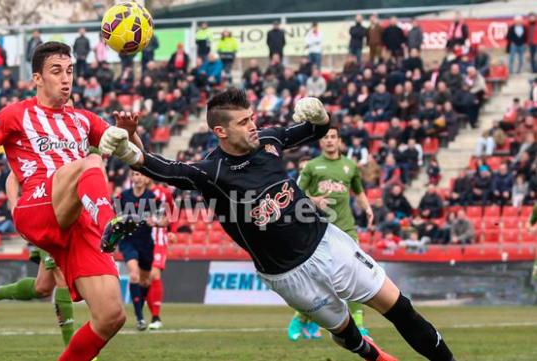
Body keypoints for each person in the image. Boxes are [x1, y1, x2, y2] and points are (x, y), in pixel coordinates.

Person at [102, 88, 456, 361]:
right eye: (244, 122)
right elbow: (162, 168)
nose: (253, 125)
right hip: (286, 275)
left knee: (400, 307)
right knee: (345, 332)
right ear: (220, 131)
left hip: (328, 245)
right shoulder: (211, 172)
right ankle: (371, 354)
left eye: (252, 117)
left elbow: (316, 129)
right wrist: (129, 148)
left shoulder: (268, 141)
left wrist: (320, 115)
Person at [0, 41, 141, 360]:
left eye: (70, 71)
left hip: (78, 218)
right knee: (91, 161)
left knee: (111, 315)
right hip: (37, 206)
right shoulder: (15, 114)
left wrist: (131, 133)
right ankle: (110, 223)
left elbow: (137, 156)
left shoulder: (84, 119)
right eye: (56, 71)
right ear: (37, 79)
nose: (66, 78)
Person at [0, 172, 75, 348]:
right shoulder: (40, 148)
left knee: (42, 287)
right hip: (44, 218)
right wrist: (15, 207)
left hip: (69, 218)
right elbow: (13, 177)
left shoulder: (84, 148)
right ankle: (76, 351)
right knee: (61, 276)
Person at [291, 127, 375, 341]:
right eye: (325, 137)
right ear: (321, 143)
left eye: (333, 137)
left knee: (356, 273)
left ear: (339, 141)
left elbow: (358, 191)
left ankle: (359, 325)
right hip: (319, 230)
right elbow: (297, 194)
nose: (329, 140)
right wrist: (314, 201)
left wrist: (367, 208)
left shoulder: (350, 166)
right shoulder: (311, 166)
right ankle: (301, 318)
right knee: (322, 280)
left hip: (346, 229)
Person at [116, 170, 158, 331]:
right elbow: (116, 217)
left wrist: (154, 221)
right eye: (134, 174)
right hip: (129, 241)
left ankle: (139, 306)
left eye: (140, 174)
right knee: (134, 275)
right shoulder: (123, 196)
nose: (138, 177)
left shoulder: (151, 197)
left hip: (146, 243)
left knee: (146, 281)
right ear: (131, 177)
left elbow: (157, 218)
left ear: (146, 178)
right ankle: (140, 317)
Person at [147, 180, 175, 330]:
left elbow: (173, 212)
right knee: (144, 280)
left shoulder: (164, 193)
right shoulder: (132, 195)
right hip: (141, 241)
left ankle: (156, 317)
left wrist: (171, 231)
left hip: (159, 239)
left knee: (154, 275)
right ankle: (153, 316)